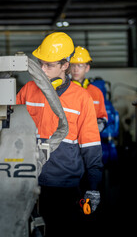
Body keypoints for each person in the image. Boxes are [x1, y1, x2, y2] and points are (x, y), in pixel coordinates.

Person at [16, 32, 103, 236]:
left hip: (64, 186)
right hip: (27, 181)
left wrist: (93, 186)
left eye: (49, 65)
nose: (42, 70)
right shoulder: (28, 90)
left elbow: (90, 145)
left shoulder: (81, 98)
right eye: (40, 63)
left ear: (65, 65)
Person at [70, 46, 108, 132]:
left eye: (80, 66)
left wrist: (92, 130)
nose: (76, 69)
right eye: (73, 65)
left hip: (90, 138)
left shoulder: (96, 92)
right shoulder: (64, 91)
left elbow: (102, 117)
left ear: (87, 68)